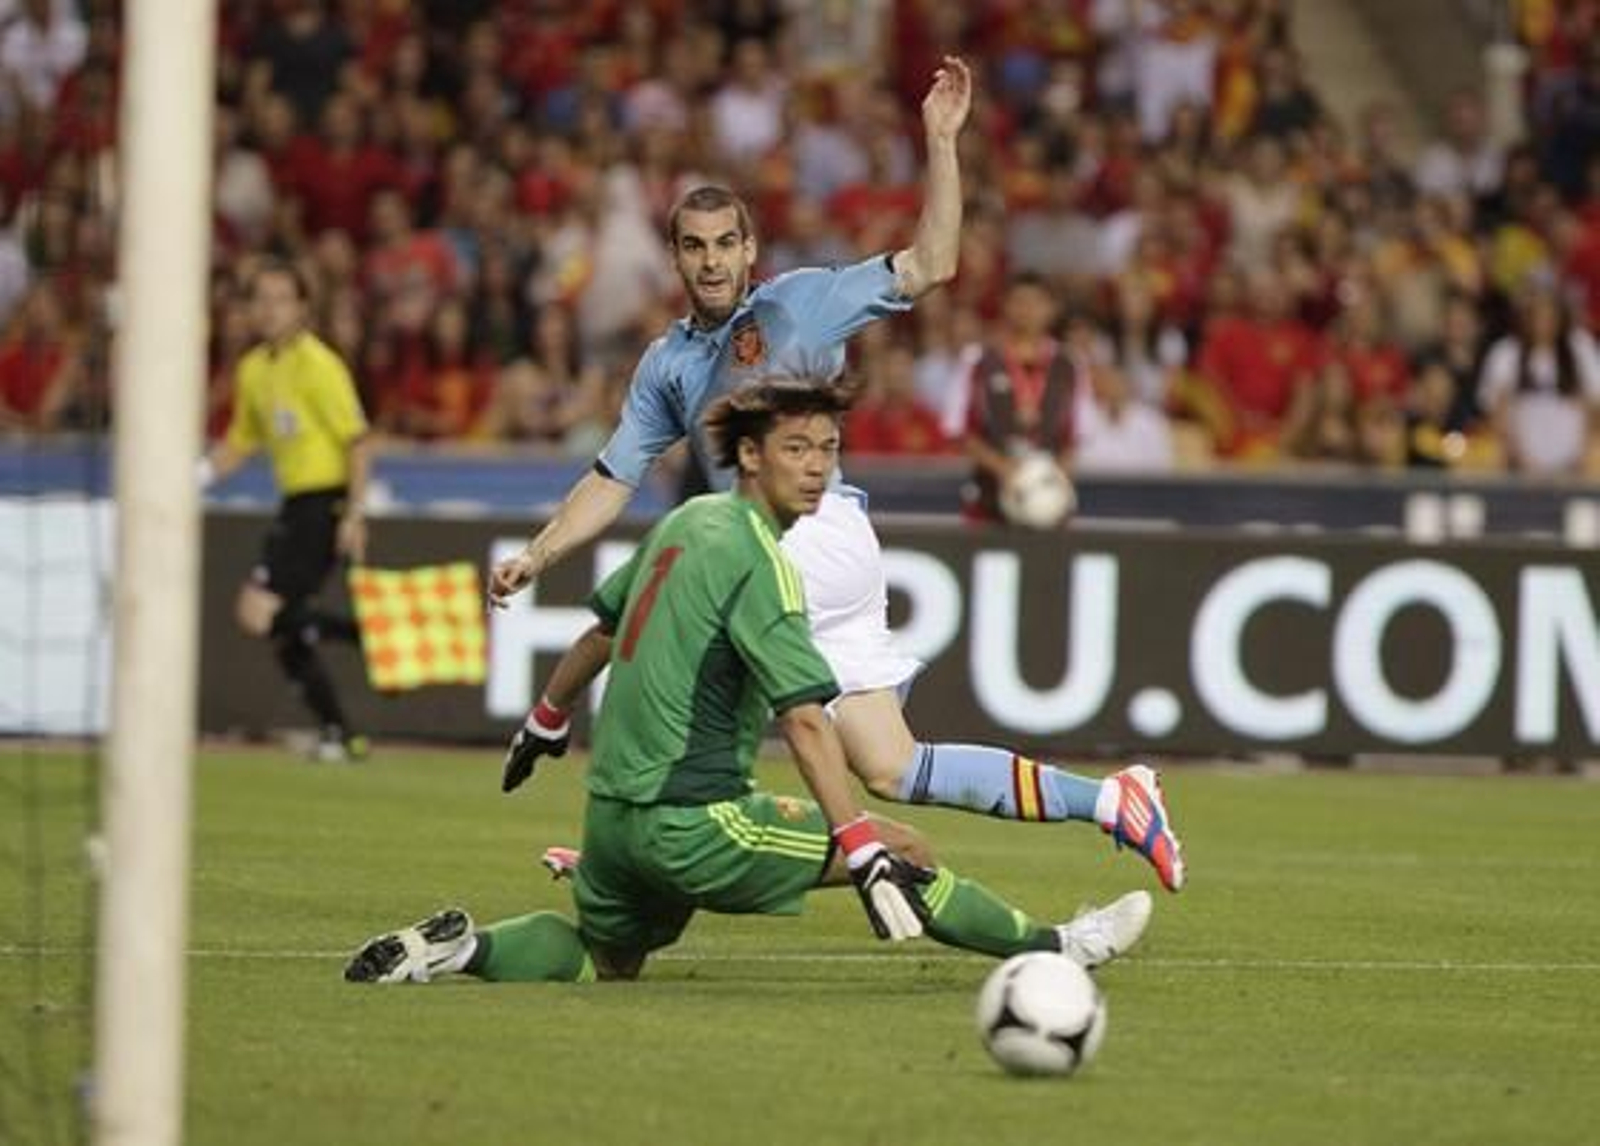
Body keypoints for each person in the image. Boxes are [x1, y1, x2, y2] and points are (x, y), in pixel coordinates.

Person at [487, 58, 1185, 894]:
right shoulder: (666, 363)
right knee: (891, 766)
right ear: (674, 256)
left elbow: (932, 263)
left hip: (801, 539)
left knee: (663, 629)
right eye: (693, 247)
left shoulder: (803, 303)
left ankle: (636, 845)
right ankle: (1114, 800)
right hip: (815, 554)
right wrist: (540, 551)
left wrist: (939, 142)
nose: (711, 263)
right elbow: (611, 476)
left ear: (750, 248)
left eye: (724, 245)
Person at [345, 381, 1153, 985]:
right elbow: (805, 723)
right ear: (751, 456)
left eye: (828, 450)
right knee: (905, 849)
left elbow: (601, 630)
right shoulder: (765, 565)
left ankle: (460, 950)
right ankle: (1060, 949)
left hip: (611, 818)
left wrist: (547, 717)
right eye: (796, 450)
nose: (816, 469)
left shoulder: (683, 522)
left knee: (607, 957)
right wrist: (860, 843)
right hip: (692, 823)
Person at [200, 259, 372, 762]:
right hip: (295, 504)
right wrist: (197, 477)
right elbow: (241, 440)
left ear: (302, 307)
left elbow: (358, 441)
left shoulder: (319, 365)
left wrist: (355, 514)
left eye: (281, 299)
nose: (270, 309)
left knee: (260, 614)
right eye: (261, 299)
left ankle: (353, 659)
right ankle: (341, 732)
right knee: (279, 626)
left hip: (325, 502)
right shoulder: (254, 369)